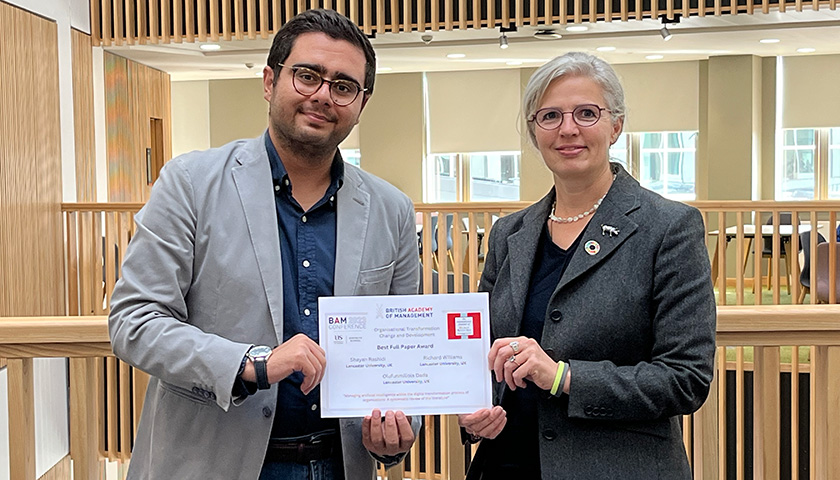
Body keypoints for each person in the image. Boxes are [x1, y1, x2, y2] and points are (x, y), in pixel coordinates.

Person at [109, 9, 421, 480]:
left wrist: (396, 435)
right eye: (307, 76)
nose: (322, 95)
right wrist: (254, 363)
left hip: (340, 465)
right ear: (270, 80)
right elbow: (134, 322)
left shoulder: (391, 209)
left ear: (361, 103)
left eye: (343, 86)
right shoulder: (190, 183)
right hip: (210, 461)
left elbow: (403, 352)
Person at [458, 52, 716, 479]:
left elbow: (685, 377)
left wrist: (563, 377)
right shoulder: (509, 234)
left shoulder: (669, 227)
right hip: (507, 462)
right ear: (534, 132)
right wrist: (472, 408)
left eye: (586, 113)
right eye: (550, 116)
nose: (568, 129)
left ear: (615, 126)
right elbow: (479, 356)